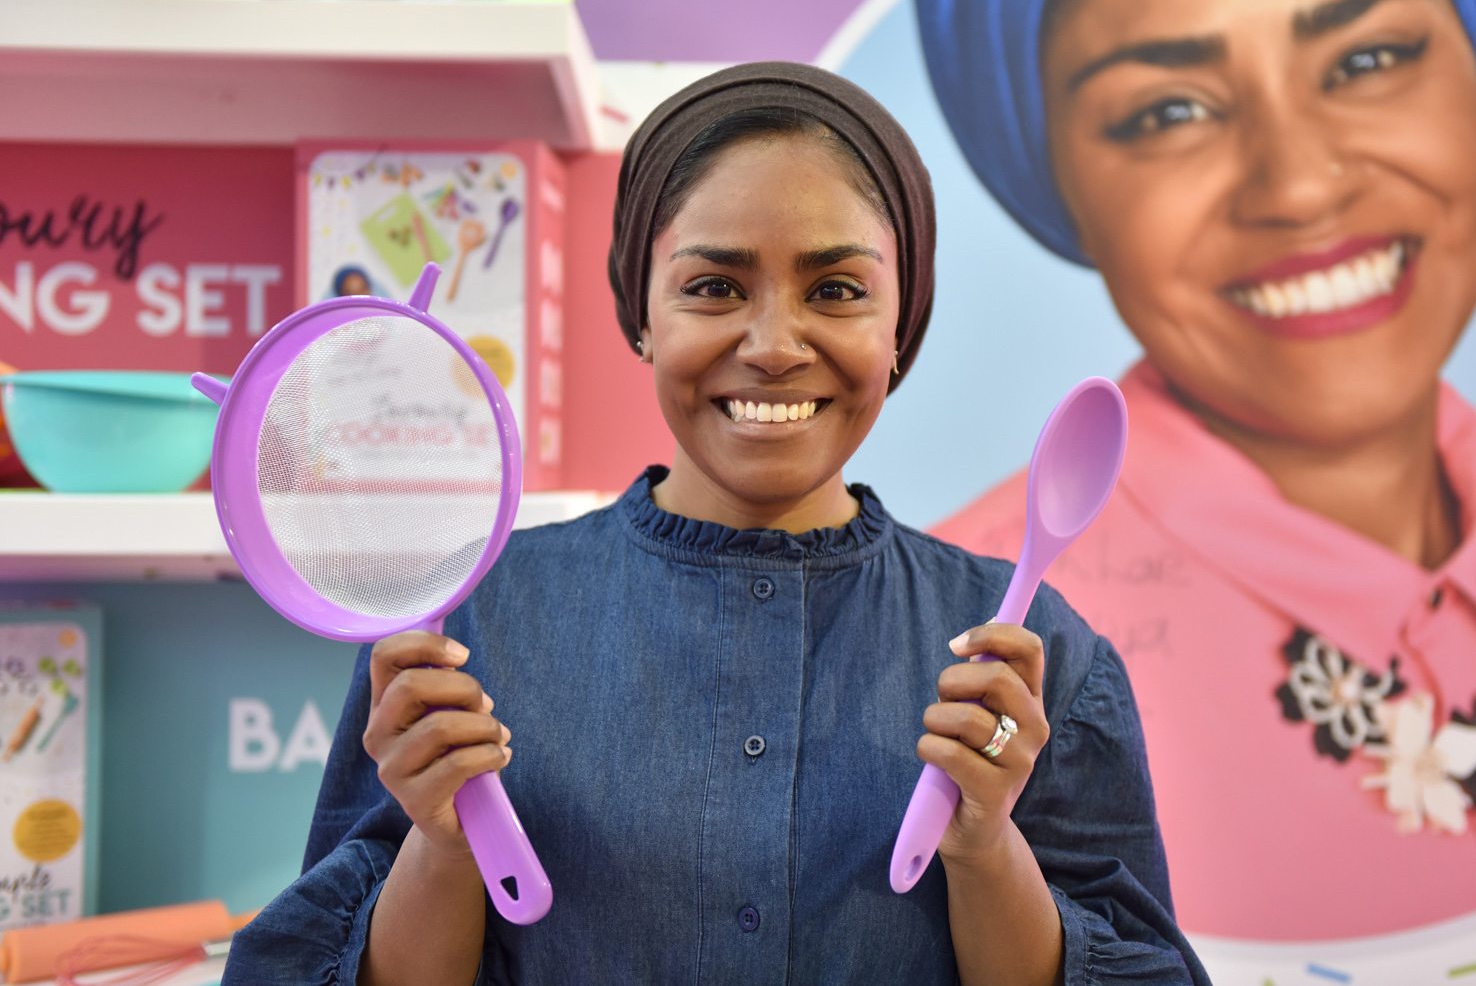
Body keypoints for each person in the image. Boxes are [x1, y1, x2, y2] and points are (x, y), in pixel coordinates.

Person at [222, 62, 1207, 985]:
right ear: (640, 312)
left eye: (836, 289)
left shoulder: (1034, 659)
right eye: (712, 286)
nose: (774, 344)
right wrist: (440, 841)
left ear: (898, 324)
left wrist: (988, 844)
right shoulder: (461, 625)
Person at [917, 0, 1476, 943]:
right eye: (1168, 110)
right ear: (1050, 176)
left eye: (1367, 58)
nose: (1298, 186)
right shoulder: (957, 635)